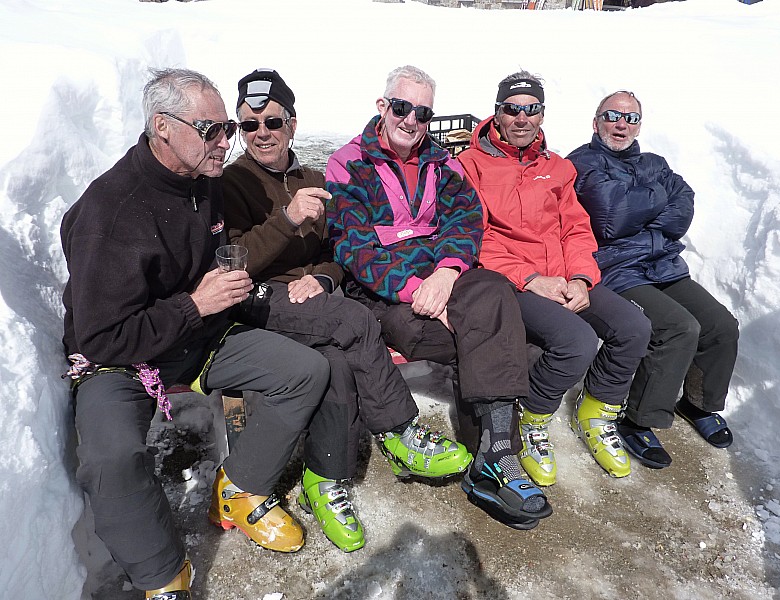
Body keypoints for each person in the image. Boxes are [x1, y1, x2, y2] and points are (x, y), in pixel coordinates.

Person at [61, 68, 331, 599]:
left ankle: (240, 488)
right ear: (162, 126)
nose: (228, 141)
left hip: (197, 335)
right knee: (111, 458)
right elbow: (99, 338)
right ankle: (164, 575)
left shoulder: (202, 183)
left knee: (306, 370)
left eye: (227, 127)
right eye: (211, 129)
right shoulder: (110, 213)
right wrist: (194, 304)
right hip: (122, 358)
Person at [222, 68, 472, 552]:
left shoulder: (313, 178)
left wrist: (322, 278)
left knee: (335, 361)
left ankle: (325, 477)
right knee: (353, 319)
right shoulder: (232, 184)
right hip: (256, 301)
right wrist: (286, 220)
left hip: (310, 300)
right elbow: (233, 263)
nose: (262, 135)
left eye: (273, 122)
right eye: (249, 126)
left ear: (292, 124)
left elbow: (337, 251)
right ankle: (400, 431)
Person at [325, 65, 553, 530]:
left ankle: (495, 457)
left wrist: (447, 275)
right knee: (485, 337)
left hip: (439, 279)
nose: (412, 121)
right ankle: (492, 461)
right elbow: (353, 247)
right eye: (403, 108)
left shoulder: (441, 162)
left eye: (424, 113)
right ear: (383, 106)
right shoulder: (349, 162)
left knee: (492, 288)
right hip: (385, 293)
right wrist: (418, 292)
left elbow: (466, 221)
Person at [457, 71, 652, 485]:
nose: (522, 118)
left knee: (634, 327)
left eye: (532, 110)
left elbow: (576, 229)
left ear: (543, 115)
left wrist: (581, 277)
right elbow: (475, 235)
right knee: (575, 342)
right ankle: (534, 414)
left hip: (565, 274)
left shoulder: (558, 168)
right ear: (498, 113)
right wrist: (530, 278)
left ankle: (597, 410)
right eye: (513, 109)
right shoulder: (470, 166)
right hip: (510, 279)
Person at [567, 90, 739, 468]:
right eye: (613, 116)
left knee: (721, 326)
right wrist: (659, 200)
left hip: (661, 264)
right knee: (678, 328)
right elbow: (612, 216)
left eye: (631, 118)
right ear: (595, 122)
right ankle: (637, 418)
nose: (621, 124)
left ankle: (698, 403)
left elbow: (684, 202)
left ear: (640, 125)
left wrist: (648, 215)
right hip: (615, 269)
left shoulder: (653, 162)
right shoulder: (582, 162)